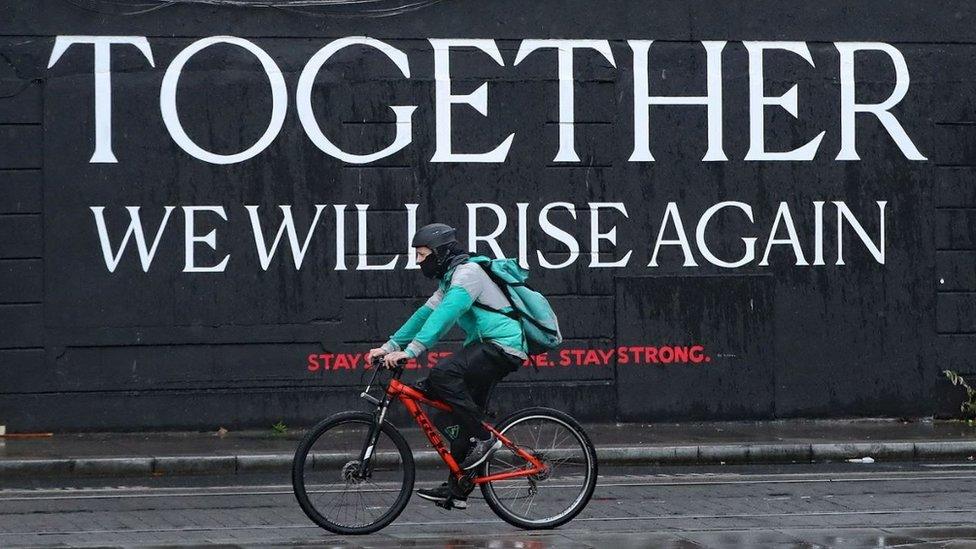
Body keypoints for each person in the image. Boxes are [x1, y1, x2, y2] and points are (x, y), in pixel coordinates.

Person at [366, 222, 526, 509]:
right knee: (444, 411)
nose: (418, 261)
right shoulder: (450, 280)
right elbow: (423, 315)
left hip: (502, 346)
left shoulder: (468, 275)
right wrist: (390, 346)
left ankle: (485, 438)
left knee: (442, 374)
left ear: (439, 253)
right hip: (483, 347)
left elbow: (445, 317)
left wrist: (412, 351)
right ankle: (459, 488)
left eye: (422, 254)